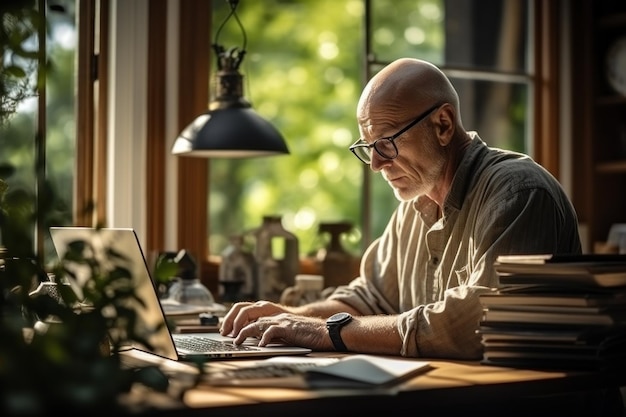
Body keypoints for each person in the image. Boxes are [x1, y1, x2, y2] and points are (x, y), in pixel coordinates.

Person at [220, 57, 582, 360]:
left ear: (443, 125)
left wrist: (323, 332)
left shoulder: (518, 193)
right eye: (368, 146)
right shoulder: (417, 201)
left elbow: (476, 323)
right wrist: (289, 317)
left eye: (387, 142)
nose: (376, 164)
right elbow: (368, 299)